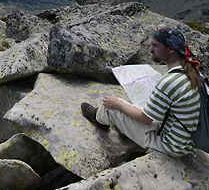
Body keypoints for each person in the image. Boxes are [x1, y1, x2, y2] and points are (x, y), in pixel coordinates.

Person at [81, 27, 201, 157]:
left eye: (155, 45)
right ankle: (125, 129)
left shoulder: (169, 82)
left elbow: (145, 120)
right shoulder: (193, 73)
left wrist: (116, 104)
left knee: (112, 106)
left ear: (171, 49)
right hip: (187, 141)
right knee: (141, 106)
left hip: (171, 146)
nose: (150, 49)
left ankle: (98, 118)